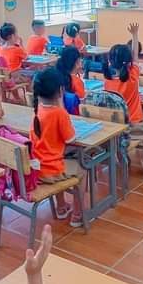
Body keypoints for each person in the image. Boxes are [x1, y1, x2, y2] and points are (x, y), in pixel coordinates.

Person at [31, 69, 86, 226]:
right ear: (61, 90)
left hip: (38, 168)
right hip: (52, 170)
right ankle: (77, 214)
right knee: (82, 168)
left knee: (62, 159)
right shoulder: (59, 113)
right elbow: (71, 139)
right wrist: (61, 106)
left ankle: (61, 207)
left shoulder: (38, 109)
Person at [104, 23, 143, 168]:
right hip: (131, 125)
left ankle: (120, 158)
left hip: (115, 126)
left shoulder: (107, 81)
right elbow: (135, 56)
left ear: (110, 61)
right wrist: (135, 35)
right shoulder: (132, 77)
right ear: (129, 62)